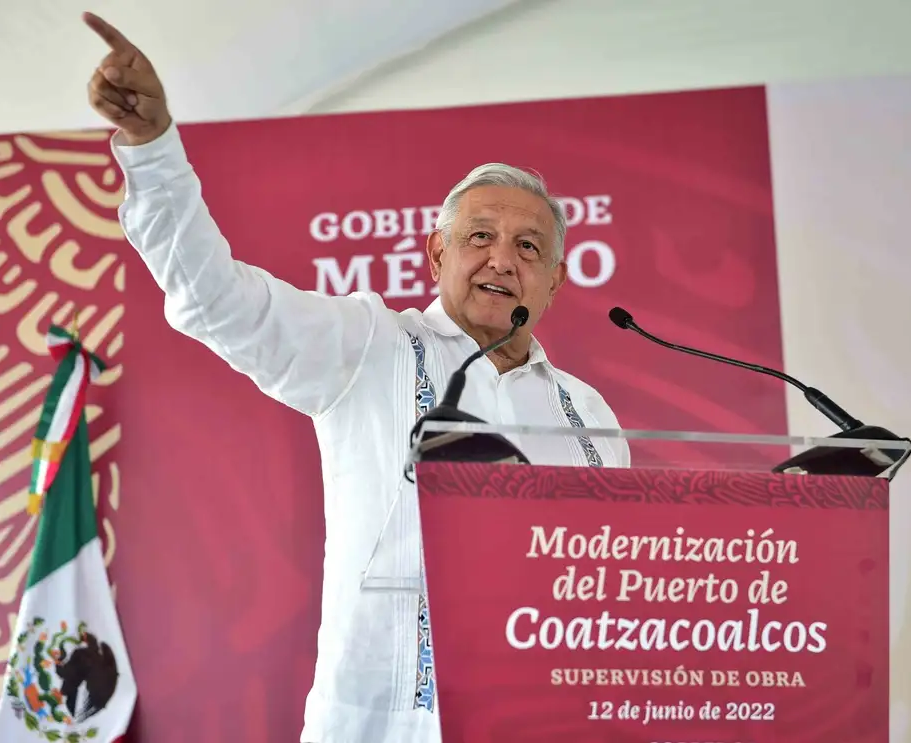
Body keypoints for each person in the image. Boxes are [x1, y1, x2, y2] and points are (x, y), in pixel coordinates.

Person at [83, 11, 630, 742]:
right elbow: (214, 298)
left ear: (555, 280)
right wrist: (152, 152)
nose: (502, 259)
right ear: (436, 256)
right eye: (479, 237)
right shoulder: (371, 344)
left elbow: (618, 583)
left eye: (527, 246)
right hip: (384, 725)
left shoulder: (588, 413)